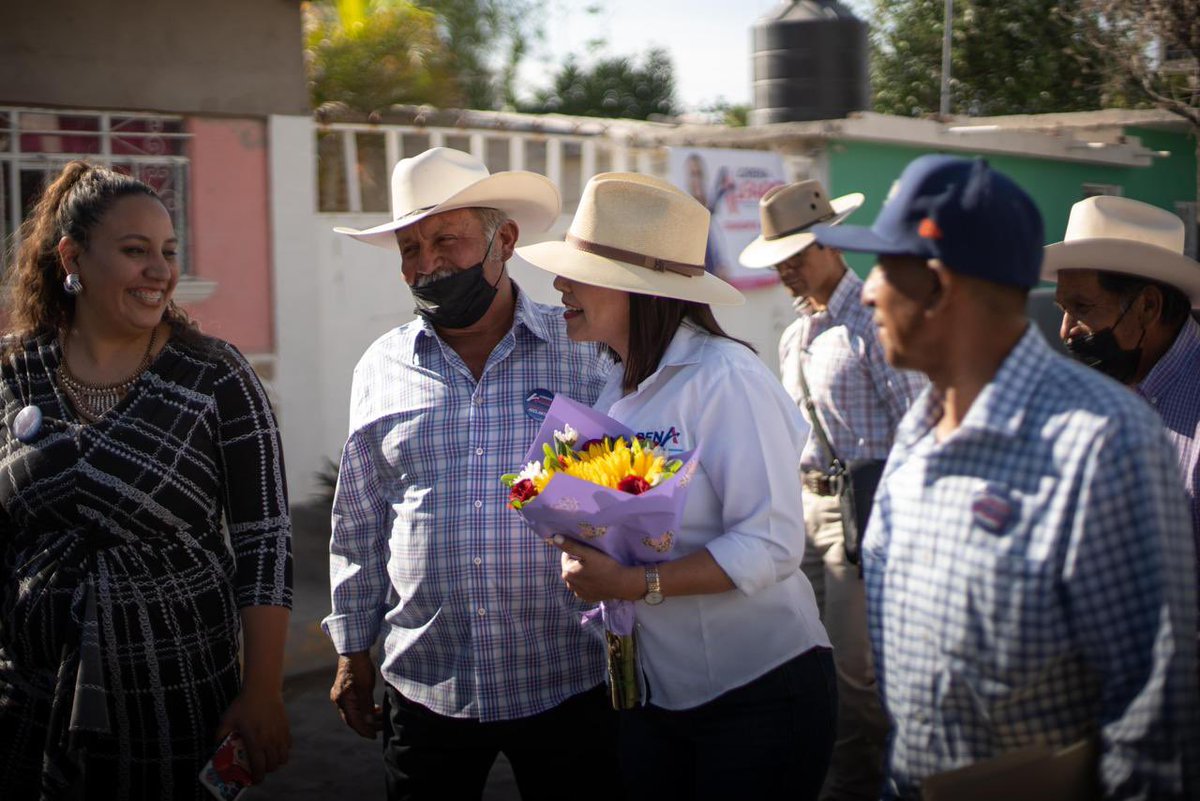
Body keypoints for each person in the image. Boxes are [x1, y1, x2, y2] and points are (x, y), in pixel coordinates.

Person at [813, 154, 1200, 799]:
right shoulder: (918, 431)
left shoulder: (1102, 441)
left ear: (943, 285)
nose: (869, 291)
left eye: (887, 268)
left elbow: (1150, 722)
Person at [518, 172, 836, 801]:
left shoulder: (726, 377)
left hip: (759, 694)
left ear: (637, 289)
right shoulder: (620, 384)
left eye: (577, 271)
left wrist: (635, 583)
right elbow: (637, 522)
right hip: (660, 695)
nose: (559, 286)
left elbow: (772, 543)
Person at [323, 147, 619, 801]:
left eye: (444, 241)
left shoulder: (584, 355)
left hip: (565, 674)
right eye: (409, 247)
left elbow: (622, 511)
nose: (425, 264)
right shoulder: (381, 367)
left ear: (503, 240)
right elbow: (361, 516)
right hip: (427, 679)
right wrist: (351, 646)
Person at [0, 162, 293, 800]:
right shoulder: (15, 370)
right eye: (136, 251)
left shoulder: (214, 375)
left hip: (178, 690)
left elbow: (263, 539)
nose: (161, 270)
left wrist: (263, 690)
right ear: (71, 257)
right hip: (28, 691)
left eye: (167, 252)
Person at [739, 179, 926, 801]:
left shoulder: (875, 322)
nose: (789, 271)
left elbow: (916, 430)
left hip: (869, 514)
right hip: (807, 511)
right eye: (779, 261)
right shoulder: (798, 334)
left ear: (831, 244)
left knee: (855, 673)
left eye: (797, 255)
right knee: (810, 662)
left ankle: (858, 786)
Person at [1042, 196, 1200, 546]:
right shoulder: (1099, 391)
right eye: (1063, 309)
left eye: (1082, 308)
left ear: (1147, 306)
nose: (1066, 331)